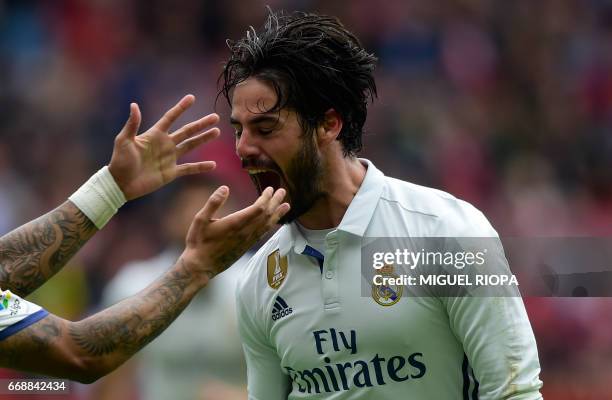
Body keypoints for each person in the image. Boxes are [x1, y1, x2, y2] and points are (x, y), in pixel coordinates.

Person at [223, 10, 543, 399]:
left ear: (328, 124)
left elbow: (514, 392)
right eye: (238, 130)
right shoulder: (259, 279)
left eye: (265, 128)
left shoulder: (447, 232)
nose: (242, 148)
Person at [0, 94, 289, 383]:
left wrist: (112, 188)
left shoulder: (258, 283)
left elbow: (5, 269)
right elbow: (80, 352)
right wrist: (196, 267)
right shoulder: (131, 282)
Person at [97, 181, 247, 400]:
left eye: (218, 208)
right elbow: (115, 384)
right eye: (192, 208)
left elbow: (293, 379)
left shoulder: (258, 284)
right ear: (168, 219)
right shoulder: (132, 288)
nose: (207, 219)